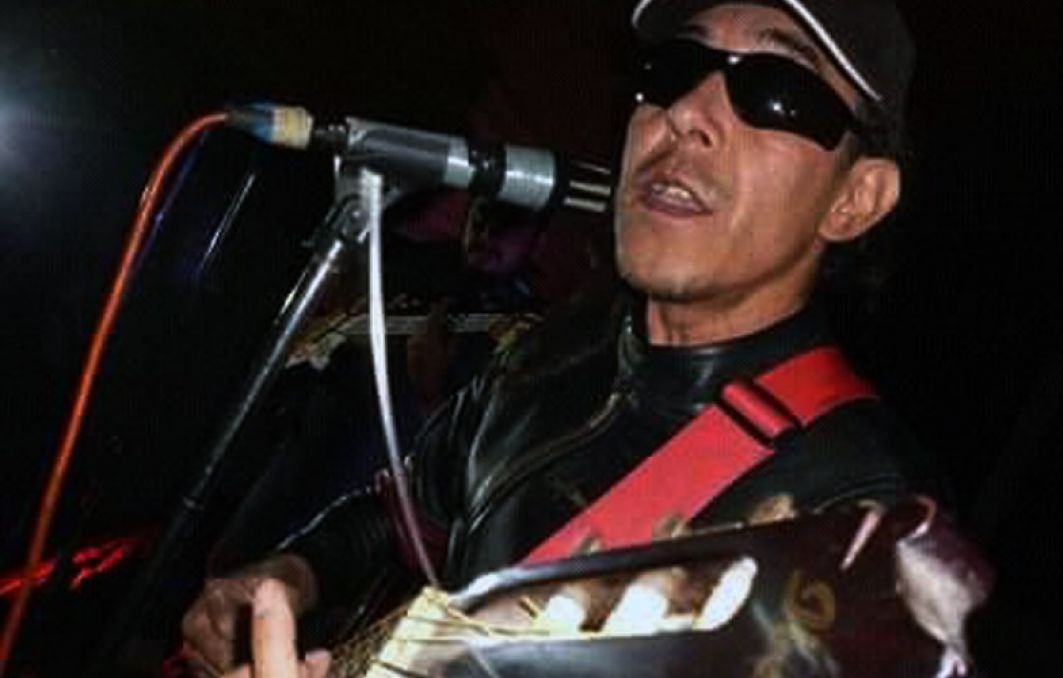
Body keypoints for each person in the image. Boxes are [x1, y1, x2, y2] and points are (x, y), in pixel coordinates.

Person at [182, 0, 946, 674]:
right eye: (674, 70)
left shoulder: (866, 521)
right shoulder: (556, 352)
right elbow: (403, 512)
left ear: (856, 199)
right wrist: (292, 575)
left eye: (778, 91)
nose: (686, 112)